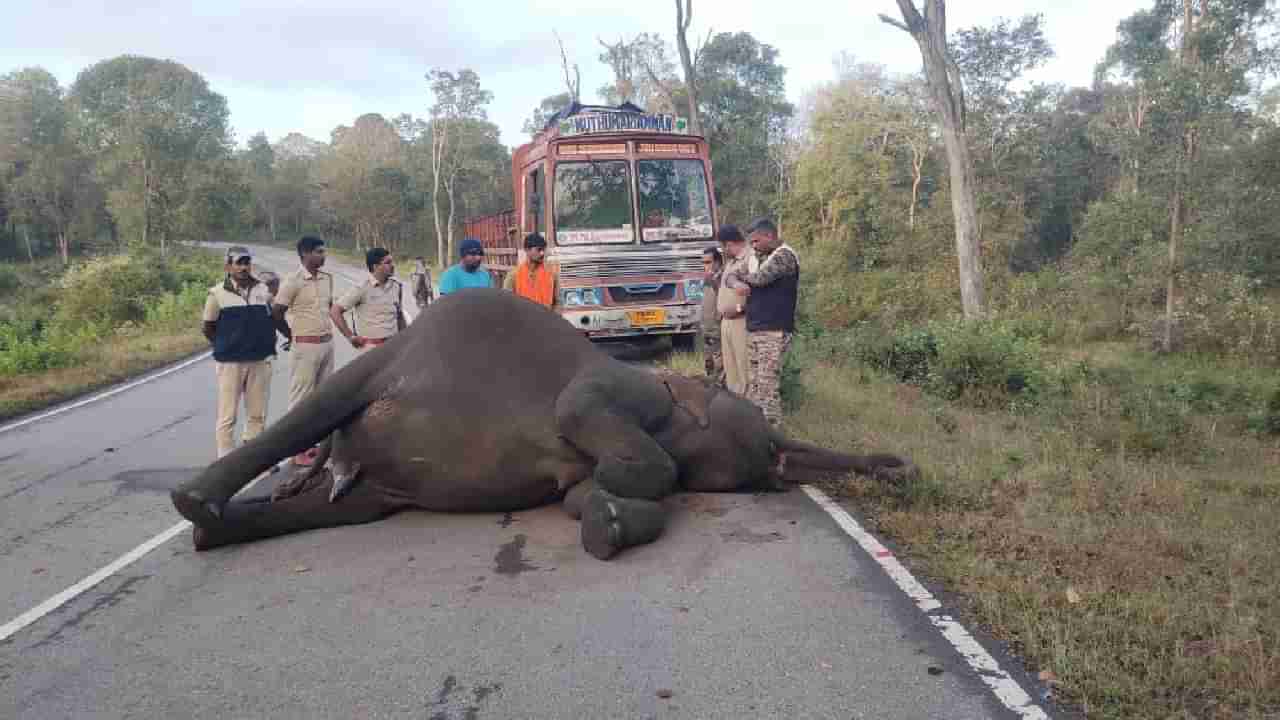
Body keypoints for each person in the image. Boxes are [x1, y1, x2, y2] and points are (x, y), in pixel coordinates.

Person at [201, 246, 278, 459]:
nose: (244, 267)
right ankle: (224, 460)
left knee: (257, 414)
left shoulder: (262, 290)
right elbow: (208, 327)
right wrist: (226, 346)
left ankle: (252, 459)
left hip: (259, 361)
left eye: (246, 262)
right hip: (231, 363)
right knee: (228, 416)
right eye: (239, 263)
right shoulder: (217, 294)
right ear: (228, 266)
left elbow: (273, 317)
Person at [731, 217, 800, 427]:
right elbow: (731, 275)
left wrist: (739, 280)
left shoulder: (785, 256)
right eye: (751, 243)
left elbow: (761, 278)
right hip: (756, 327)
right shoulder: (758, 256)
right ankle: (755, 428)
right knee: (754, 384)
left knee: (767, 384)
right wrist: (736, 279)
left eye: (755, 241)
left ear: (769, 236)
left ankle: (773, 433)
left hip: (774, 329)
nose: (753, 247)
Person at [272, 235, 334, 466]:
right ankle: (297, 449)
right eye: (318, 251)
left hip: (327, 343)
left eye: (323, 251)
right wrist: (291, 336)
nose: (323, 255)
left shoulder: (327, 279)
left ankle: (314, 445)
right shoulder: (293, 281)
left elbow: (327, 308)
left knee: (323, 397)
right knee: (301, 400)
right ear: (305, 254)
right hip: (305, 345)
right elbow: (277, 313)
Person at [331, 247, 406, 354]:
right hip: (371, 349)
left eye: (392, 262)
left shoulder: (396, 286)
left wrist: (405, 338)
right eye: (387, 262)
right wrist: (350, 337)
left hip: (393, 347)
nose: (392, 265)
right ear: (375, 266)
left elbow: (399, 315)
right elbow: (335, 311)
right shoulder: (362, 288)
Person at [716, 225, 756, 395]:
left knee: (744, 366)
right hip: (726, 322)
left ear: (729, 243)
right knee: (731, 368)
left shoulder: (751, 259)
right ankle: (734, 409)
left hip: (741, 321)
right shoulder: (732, 261)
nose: (723, 251)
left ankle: (749, 408)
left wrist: (739, 308)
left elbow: (759, 294)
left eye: (724, 246)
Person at [503, 232, 560, 309]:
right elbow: (507, 304)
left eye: (544, 250)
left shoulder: (552, 274)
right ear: (527, 250)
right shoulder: (513, 276)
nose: (542, 253)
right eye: (539, 249)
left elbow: (558, 302)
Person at [700, 246, 724, 384]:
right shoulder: (708, 279)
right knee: (710, 368)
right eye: (703, 263)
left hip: (718, 332)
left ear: (718, 262)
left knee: (720, 370)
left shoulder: (723, 278)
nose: (705, 266)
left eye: (708, 262)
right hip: (707, 332)